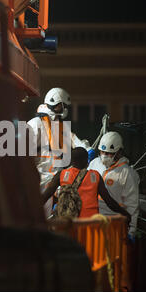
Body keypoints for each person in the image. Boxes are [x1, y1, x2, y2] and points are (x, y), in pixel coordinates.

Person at [27, 88, 90, 217]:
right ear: (54, 103)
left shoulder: (60, 126)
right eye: (62, 106)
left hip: (56, 180)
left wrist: (88, 149)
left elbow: (75, 141)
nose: (64, 109)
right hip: (39, 181)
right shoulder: (35, 124)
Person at [41, 147, 131, 221]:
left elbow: (45, 196)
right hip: (89, 224)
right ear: (86, 161)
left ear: (71, 161)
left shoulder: (61, 175)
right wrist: (125, 213)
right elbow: (109, 202)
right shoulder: (95, 176)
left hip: (68, 224)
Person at [87, 131, 139, 238]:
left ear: (119, 152)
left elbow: (132, 204)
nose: (105, 156)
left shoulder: (127, 174)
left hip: (113, 221)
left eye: (109, 153)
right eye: (102, 152)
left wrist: (131, 231)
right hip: (91, 217)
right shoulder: (95, 163)